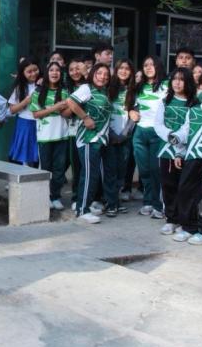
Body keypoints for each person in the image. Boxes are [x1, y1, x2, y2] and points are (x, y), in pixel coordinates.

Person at [171, 67, 202, 245]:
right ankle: (188, 227)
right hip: (192, 152)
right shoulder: (197, 100)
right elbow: (188, 125)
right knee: (185, 190)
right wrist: (178, 144)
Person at [66, 63, 116, 224]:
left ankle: (84, 204)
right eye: (99, 73)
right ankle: (82, 210)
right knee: (89, 175)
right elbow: (70, 102)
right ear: (92, 74)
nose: (103, 77)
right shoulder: (87, 88)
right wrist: (85, 118)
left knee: (92, 175)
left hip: (100, 140)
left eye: (106, 74)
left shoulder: (104, 91)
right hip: (88, 138)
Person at [154, 67, 198, 235]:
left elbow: (189, 128)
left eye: (181, 79)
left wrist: (178, 143)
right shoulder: (165, 101)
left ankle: (184, 219)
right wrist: (170, 136)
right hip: (165, 150)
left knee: (184, 187)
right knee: (168, 185)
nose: (177, 82)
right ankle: (171, 218)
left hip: (186, 151)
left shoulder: (194, 103)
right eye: (174, 79)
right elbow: (158, 125)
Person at [131, 55, 167, 219]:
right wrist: (132, 111)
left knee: (156, 170)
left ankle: (159, 205)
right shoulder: (139, 86)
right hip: (140, 132)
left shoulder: (167, 86)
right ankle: (148, 201)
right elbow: (132, 106)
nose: (148, 67)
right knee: (144, 171)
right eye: (145, 65)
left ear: (158, 66)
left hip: (158, 133)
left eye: (152, 65)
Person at [30, 62, 69, 210]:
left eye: (57, 70)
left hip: (62, 136)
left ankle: (56, 196)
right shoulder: (38, 91)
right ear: (46, 73)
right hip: (44, 137)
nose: (54, 73)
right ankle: (44, 196)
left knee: (59, 169)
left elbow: (67, 111)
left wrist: (54, 109)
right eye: (51, 70)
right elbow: (36, 114)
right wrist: (56, 107)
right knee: (45, 168)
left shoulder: (65, 91)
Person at [104, 58, 137, 216]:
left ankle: (115, 201)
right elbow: (103, 114)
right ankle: (110, 203)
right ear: (116, 70)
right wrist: (111, 134)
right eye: (121, 68)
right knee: (110, 170)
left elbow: (134, 116)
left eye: (127, 68)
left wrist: (123, 135)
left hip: (125, 138)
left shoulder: (132, 91)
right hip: (109, 136)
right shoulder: (108, 88)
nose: (124, 71)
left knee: (121, 171)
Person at [7, 56, 41, 166]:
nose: (33, 73)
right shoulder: (20, 87)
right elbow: (12, 109)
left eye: (35, 70)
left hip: (41, 123)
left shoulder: (44, 84)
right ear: (23, 73)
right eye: (29, 71)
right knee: (24, 154)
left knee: (38, 154)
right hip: (25, 124)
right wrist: (25, 102)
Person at [64, 58, 87, 210]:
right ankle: (76, 197)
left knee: (88, 168)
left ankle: (89, 198)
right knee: (77, 168)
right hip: (73, 132)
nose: (75, 72)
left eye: (78, 68)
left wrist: (73, 105)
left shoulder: (90, 86)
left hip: (90, 131)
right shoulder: (66, 88)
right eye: (71, 69)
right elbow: (65, 112)